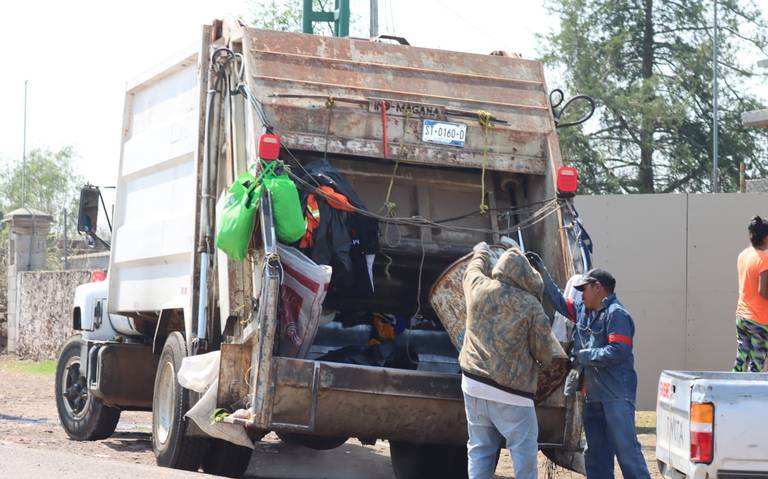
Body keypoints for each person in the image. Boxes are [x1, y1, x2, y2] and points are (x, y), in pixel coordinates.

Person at [526, 255, 650, 479]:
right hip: (593, 395)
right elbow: (559, 302)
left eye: (584, 289)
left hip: (616, 396)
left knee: (626, 449)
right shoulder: (584, 310)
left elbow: (618, 351)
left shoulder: (617, 315)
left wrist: (583, 356)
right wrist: (541, 273)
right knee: (595, 452)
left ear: (598, 288)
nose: (581, 294)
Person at [461, 242, 561, 479]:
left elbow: (472, 270)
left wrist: (481, 252)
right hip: (512, 394)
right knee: (523, 451)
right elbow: (546, 353)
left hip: (473, 385)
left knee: (479, 448)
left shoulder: (478, 287)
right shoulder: (531, 306)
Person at [733, 216, 768, 372]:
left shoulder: (743, 255)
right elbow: (763, 291)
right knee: (756, 364)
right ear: (766, 238)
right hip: (758, 321)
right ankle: (749, 396)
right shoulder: (764, 259)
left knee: (742, 359)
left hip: (742, 317)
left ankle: (730, 394)